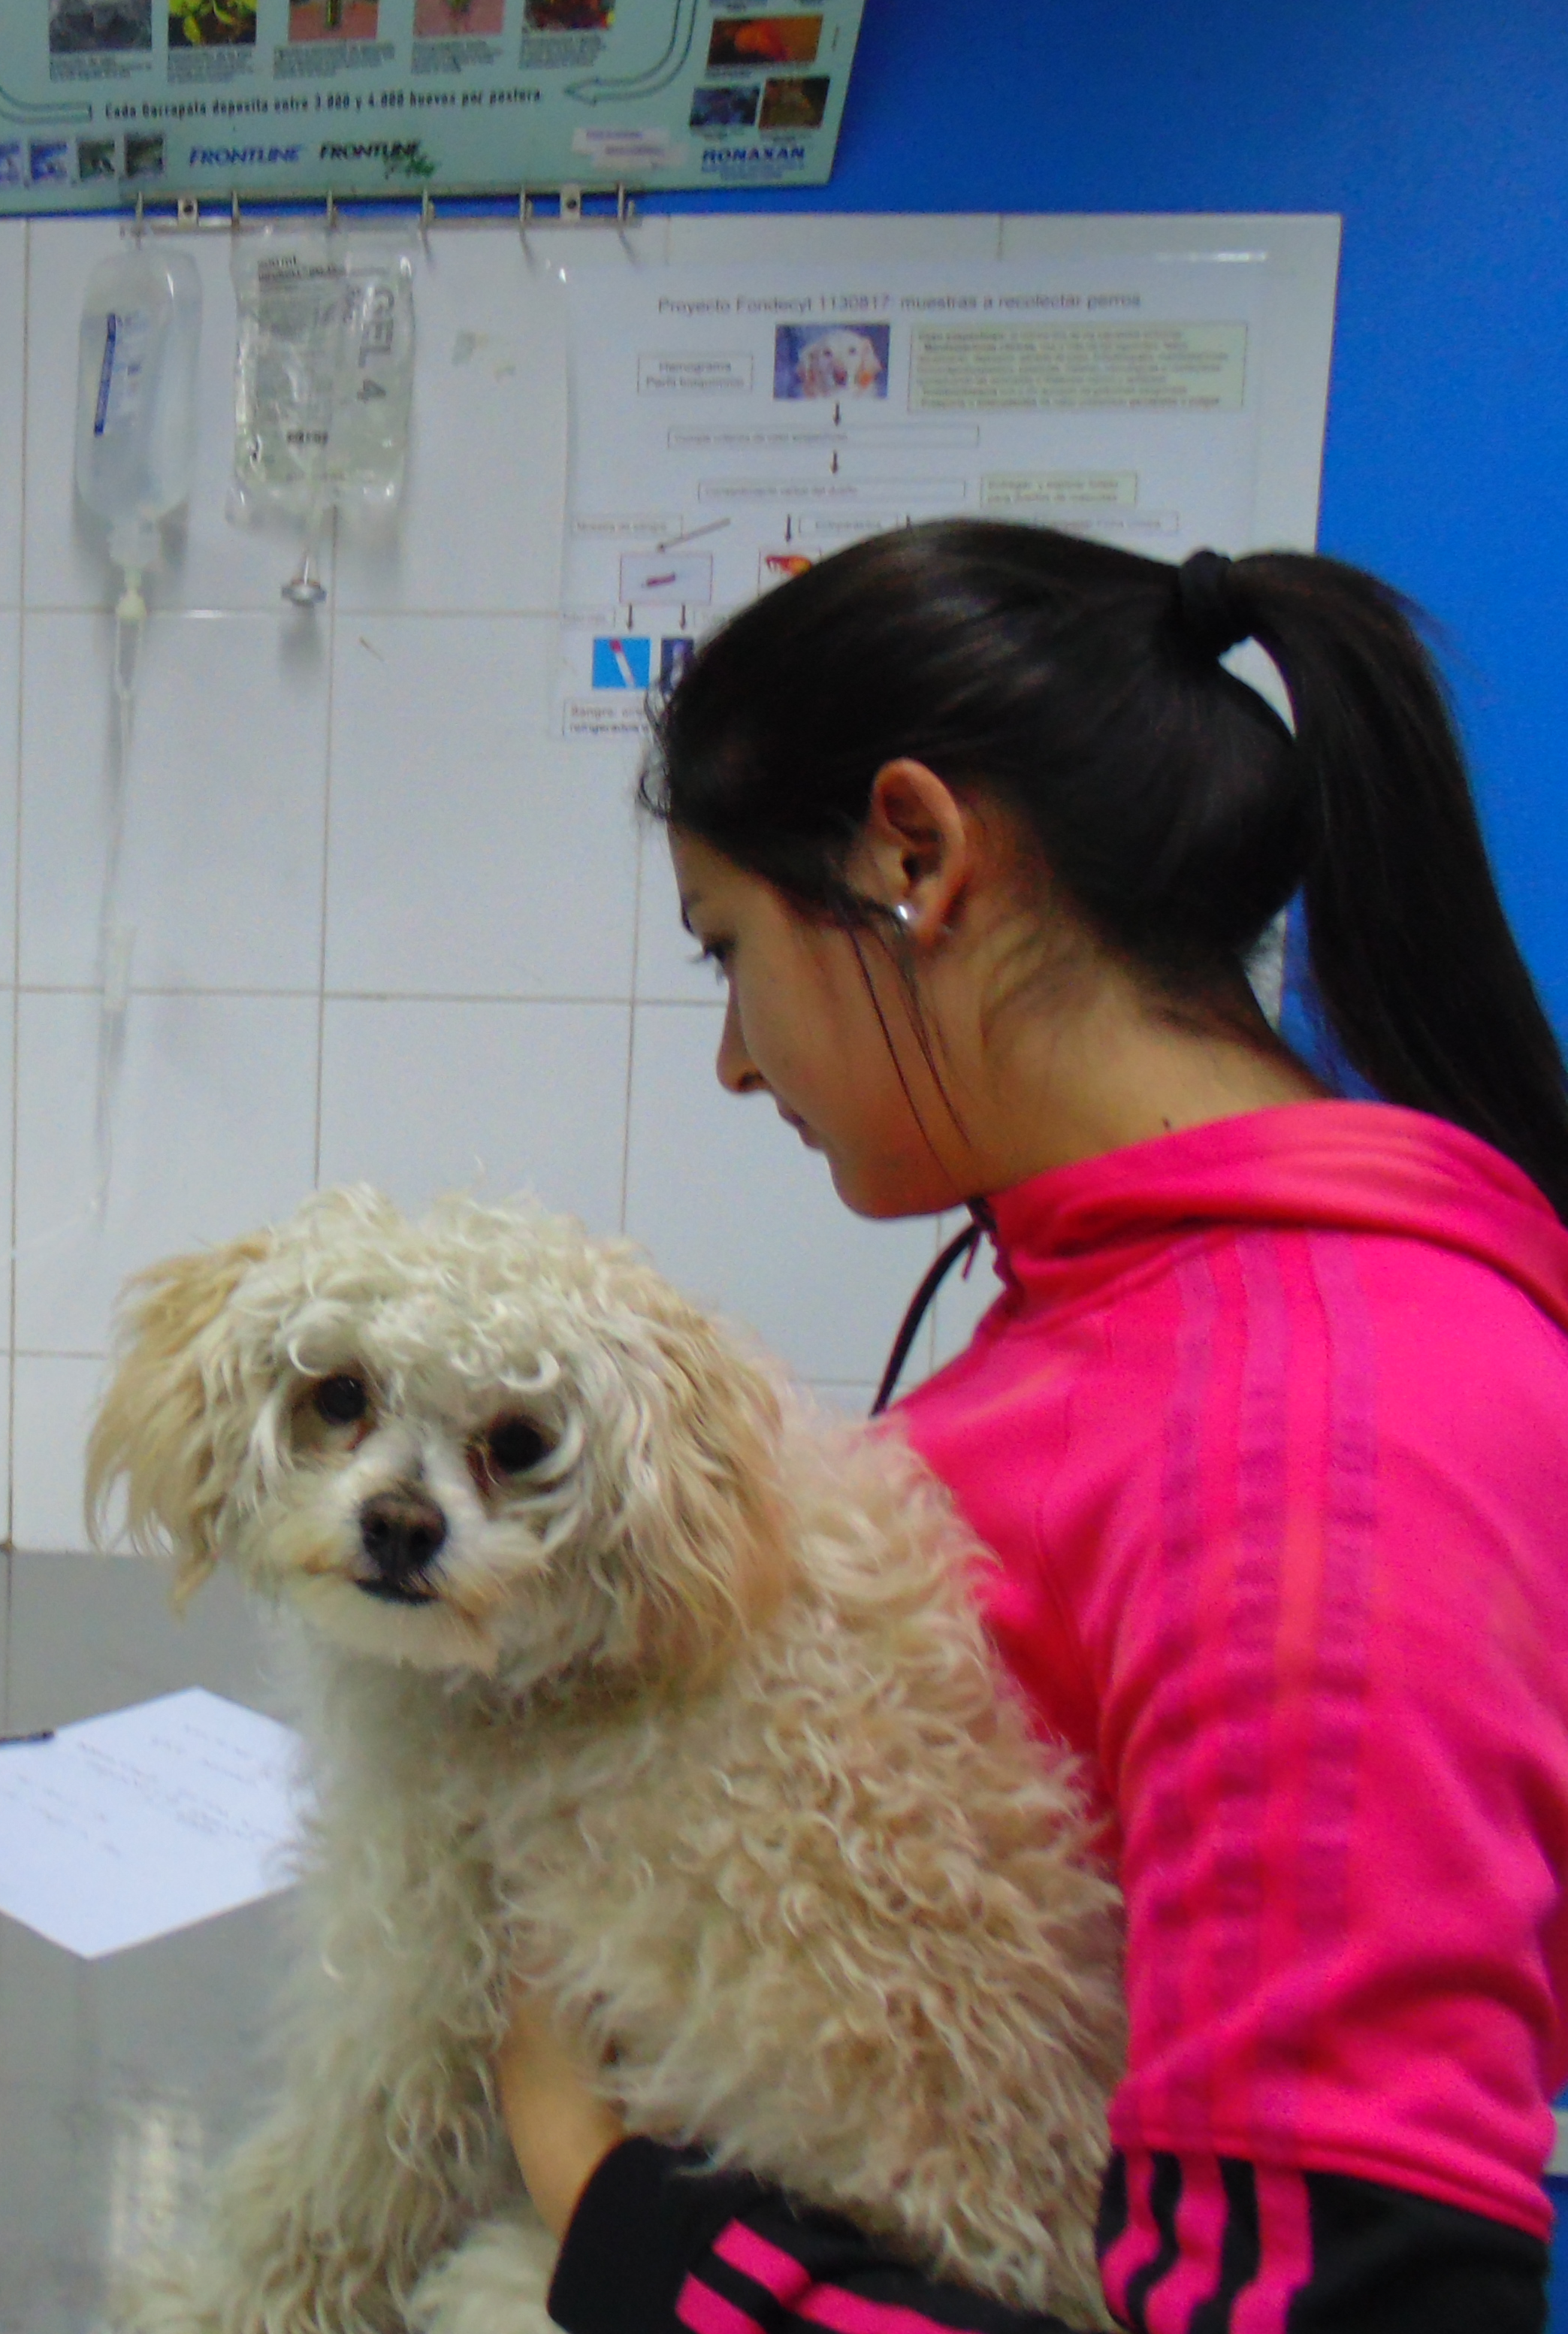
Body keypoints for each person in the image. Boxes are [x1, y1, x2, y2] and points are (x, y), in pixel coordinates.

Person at [500, 526, 1567, 2330]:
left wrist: (612, 2199)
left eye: (727, 951)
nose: (736, 1061)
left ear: (914, 855)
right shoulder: (1124, 1299)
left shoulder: (1316, 1442)